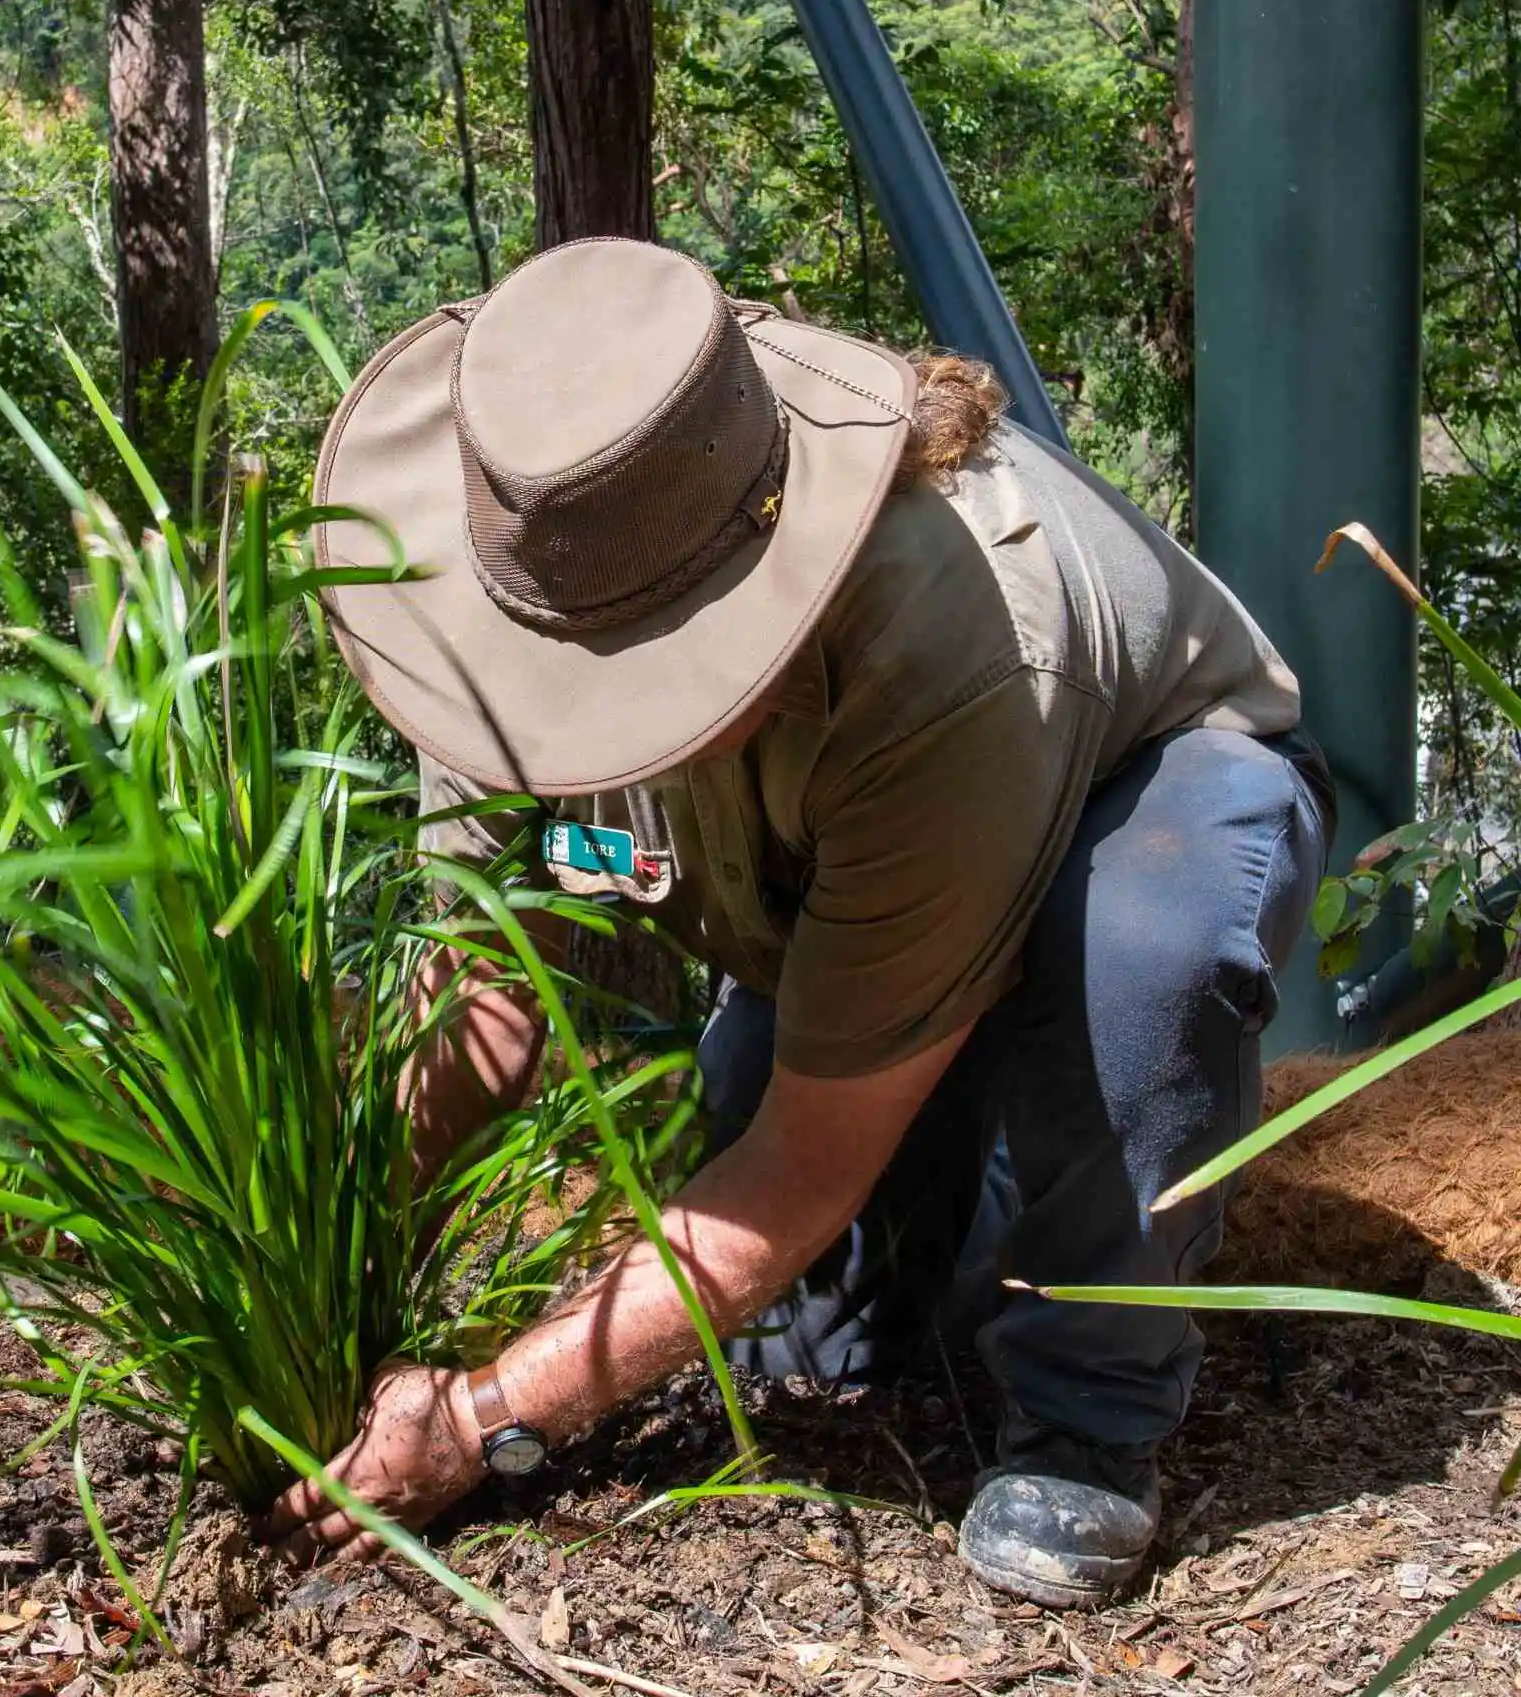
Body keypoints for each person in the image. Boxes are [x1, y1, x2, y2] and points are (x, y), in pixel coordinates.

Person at [266, 237, 1333, 1609]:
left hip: (1133, 798)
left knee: (1134, 949)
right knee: (818, 1362)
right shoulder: (521, 574)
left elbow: (805, 1162)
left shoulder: (946, 631)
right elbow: (485, 1004)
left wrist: (478, 1420)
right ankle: (985, 1190)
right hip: (827, 898)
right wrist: (340, 1249)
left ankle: (1093, 1411)